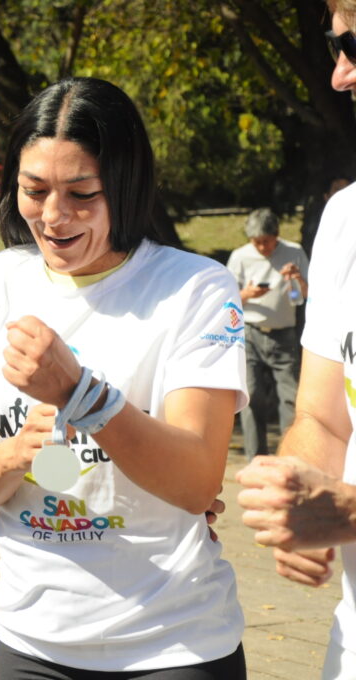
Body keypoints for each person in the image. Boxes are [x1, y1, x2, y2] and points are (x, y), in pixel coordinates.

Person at [0, 77, 247, 678]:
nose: (54, 216)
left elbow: (196, 482)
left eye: (82, 193)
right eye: (34, 190)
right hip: (32, 644)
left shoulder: (194, 288)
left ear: (126, 185)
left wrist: (81, 395)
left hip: (175, 644)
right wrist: (14, 454)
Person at [236, 2, 356, 677]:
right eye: (335, 48)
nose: (340, 75)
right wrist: (297, 491)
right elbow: (323, 418)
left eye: (352, 46)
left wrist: (347, 510)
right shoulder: (344, 220)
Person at [226, 208, 308, 460]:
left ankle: (291, 458)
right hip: (249, 333)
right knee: (251, 397)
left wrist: (297, 278)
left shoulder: (294, 251)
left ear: (277, 235)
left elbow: (308, 294)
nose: (262, 247)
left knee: (291, 398)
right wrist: (247, 294)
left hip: (284, 334)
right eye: (257, 242)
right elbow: (226, 299)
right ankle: (256, 459)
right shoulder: (240, 256)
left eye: (267, 241)